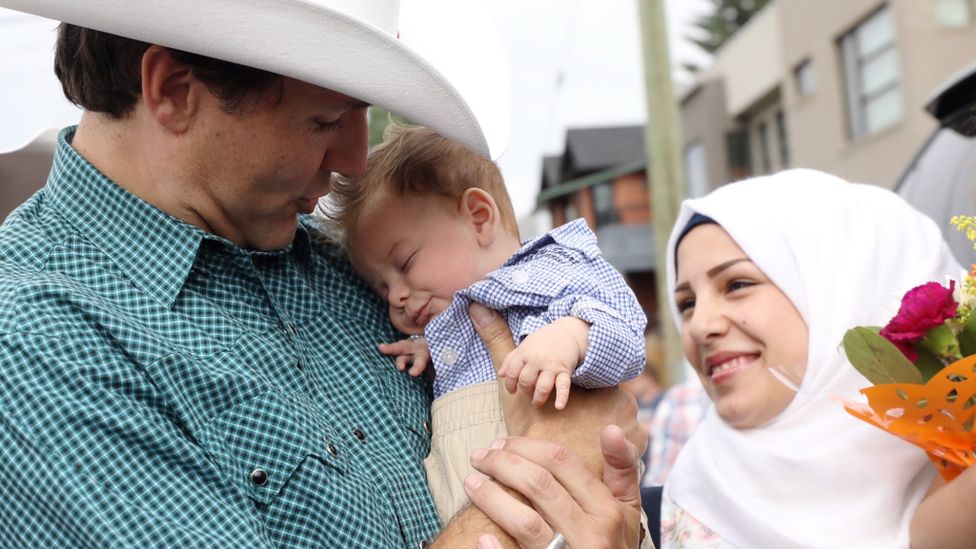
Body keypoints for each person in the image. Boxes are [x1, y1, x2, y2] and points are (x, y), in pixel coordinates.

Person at [0, 1, 648, 547]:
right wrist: (550, 482)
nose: (356, 161)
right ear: (172, 91)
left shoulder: (351, 259)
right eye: (325, 120)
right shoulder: (33, 344)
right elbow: (563, 447)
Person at [324, 123, 648, 522]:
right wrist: (432, 348)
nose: (395, 296)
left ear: (479, 218)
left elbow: (625, 330)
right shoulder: (453, 326)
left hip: (575, 512)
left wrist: (570, 337)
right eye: (381, 287)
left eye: (405, 263)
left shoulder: (547, 269)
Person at [660, 169, 960, 547]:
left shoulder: (960, 474)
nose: (699, 326)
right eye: (686, 304)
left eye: (737, 284)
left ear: (848, 292)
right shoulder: (652, 521)